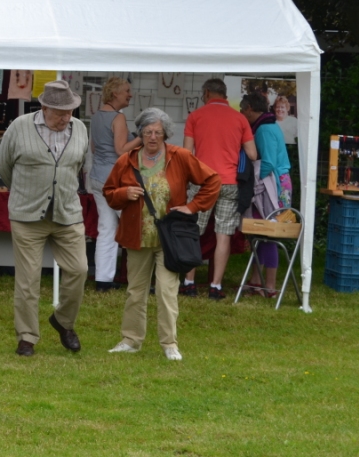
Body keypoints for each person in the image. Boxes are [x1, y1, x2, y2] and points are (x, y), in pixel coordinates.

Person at [103, 108, 220, 361]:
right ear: (140, 134)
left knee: (167, 292)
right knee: (136, 291)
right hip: (136, 237)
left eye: (157, 132)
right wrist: (125, 194)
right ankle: (131, 340)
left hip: (170, 239)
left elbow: (213, 180)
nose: (153, 137)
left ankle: (169, 344)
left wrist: (192, 207)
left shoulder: (180, 156)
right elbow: (109, 194)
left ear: (166, 133)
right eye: (147, 132)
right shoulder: (126, 160)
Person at [0, 80, 89, 357]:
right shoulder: (19, 127)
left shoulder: (80, 129)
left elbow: (78, 165)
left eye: (70, 111)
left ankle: (63, 322)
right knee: (28, 280)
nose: (66, 117)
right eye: (60, 112)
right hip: (27, 216)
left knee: (79, 270)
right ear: (44, 107)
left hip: (68, 213)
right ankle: (27, 337)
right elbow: (4, 166)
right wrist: (28, 193)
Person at [182, 78, 257, 300]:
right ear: (224, 95)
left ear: (206, 93)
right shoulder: (240, 118)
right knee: (223, 235)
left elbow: (187, 154)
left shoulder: (195, 117)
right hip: (230, 182)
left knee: (194, 231)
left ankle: (189, 282)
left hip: (203, 181)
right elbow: (252, 154)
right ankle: (216, 286)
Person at [88, 77, 141, 292]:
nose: (130, 94)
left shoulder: (96, 116)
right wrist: (141, 138)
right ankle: (139, 280)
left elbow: (93, 149)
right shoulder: (118, 118)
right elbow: (121, 150)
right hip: (115, 180)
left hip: (97, 177)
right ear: (115, 93)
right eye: (127, 90)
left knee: (106, 229)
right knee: (133, 227)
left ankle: (103, 280)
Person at [240, 93, 293, 295]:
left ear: (251, 108)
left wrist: (252, 183)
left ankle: (269, 285)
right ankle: (256, 280)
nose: (241, 114)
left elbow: (268, 163)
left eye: (243, 110)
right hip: (279, 183)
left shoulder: (263, 130)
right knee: (261, 231)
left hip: (273, 187)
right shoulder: (270, 125)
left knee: (269, 232)